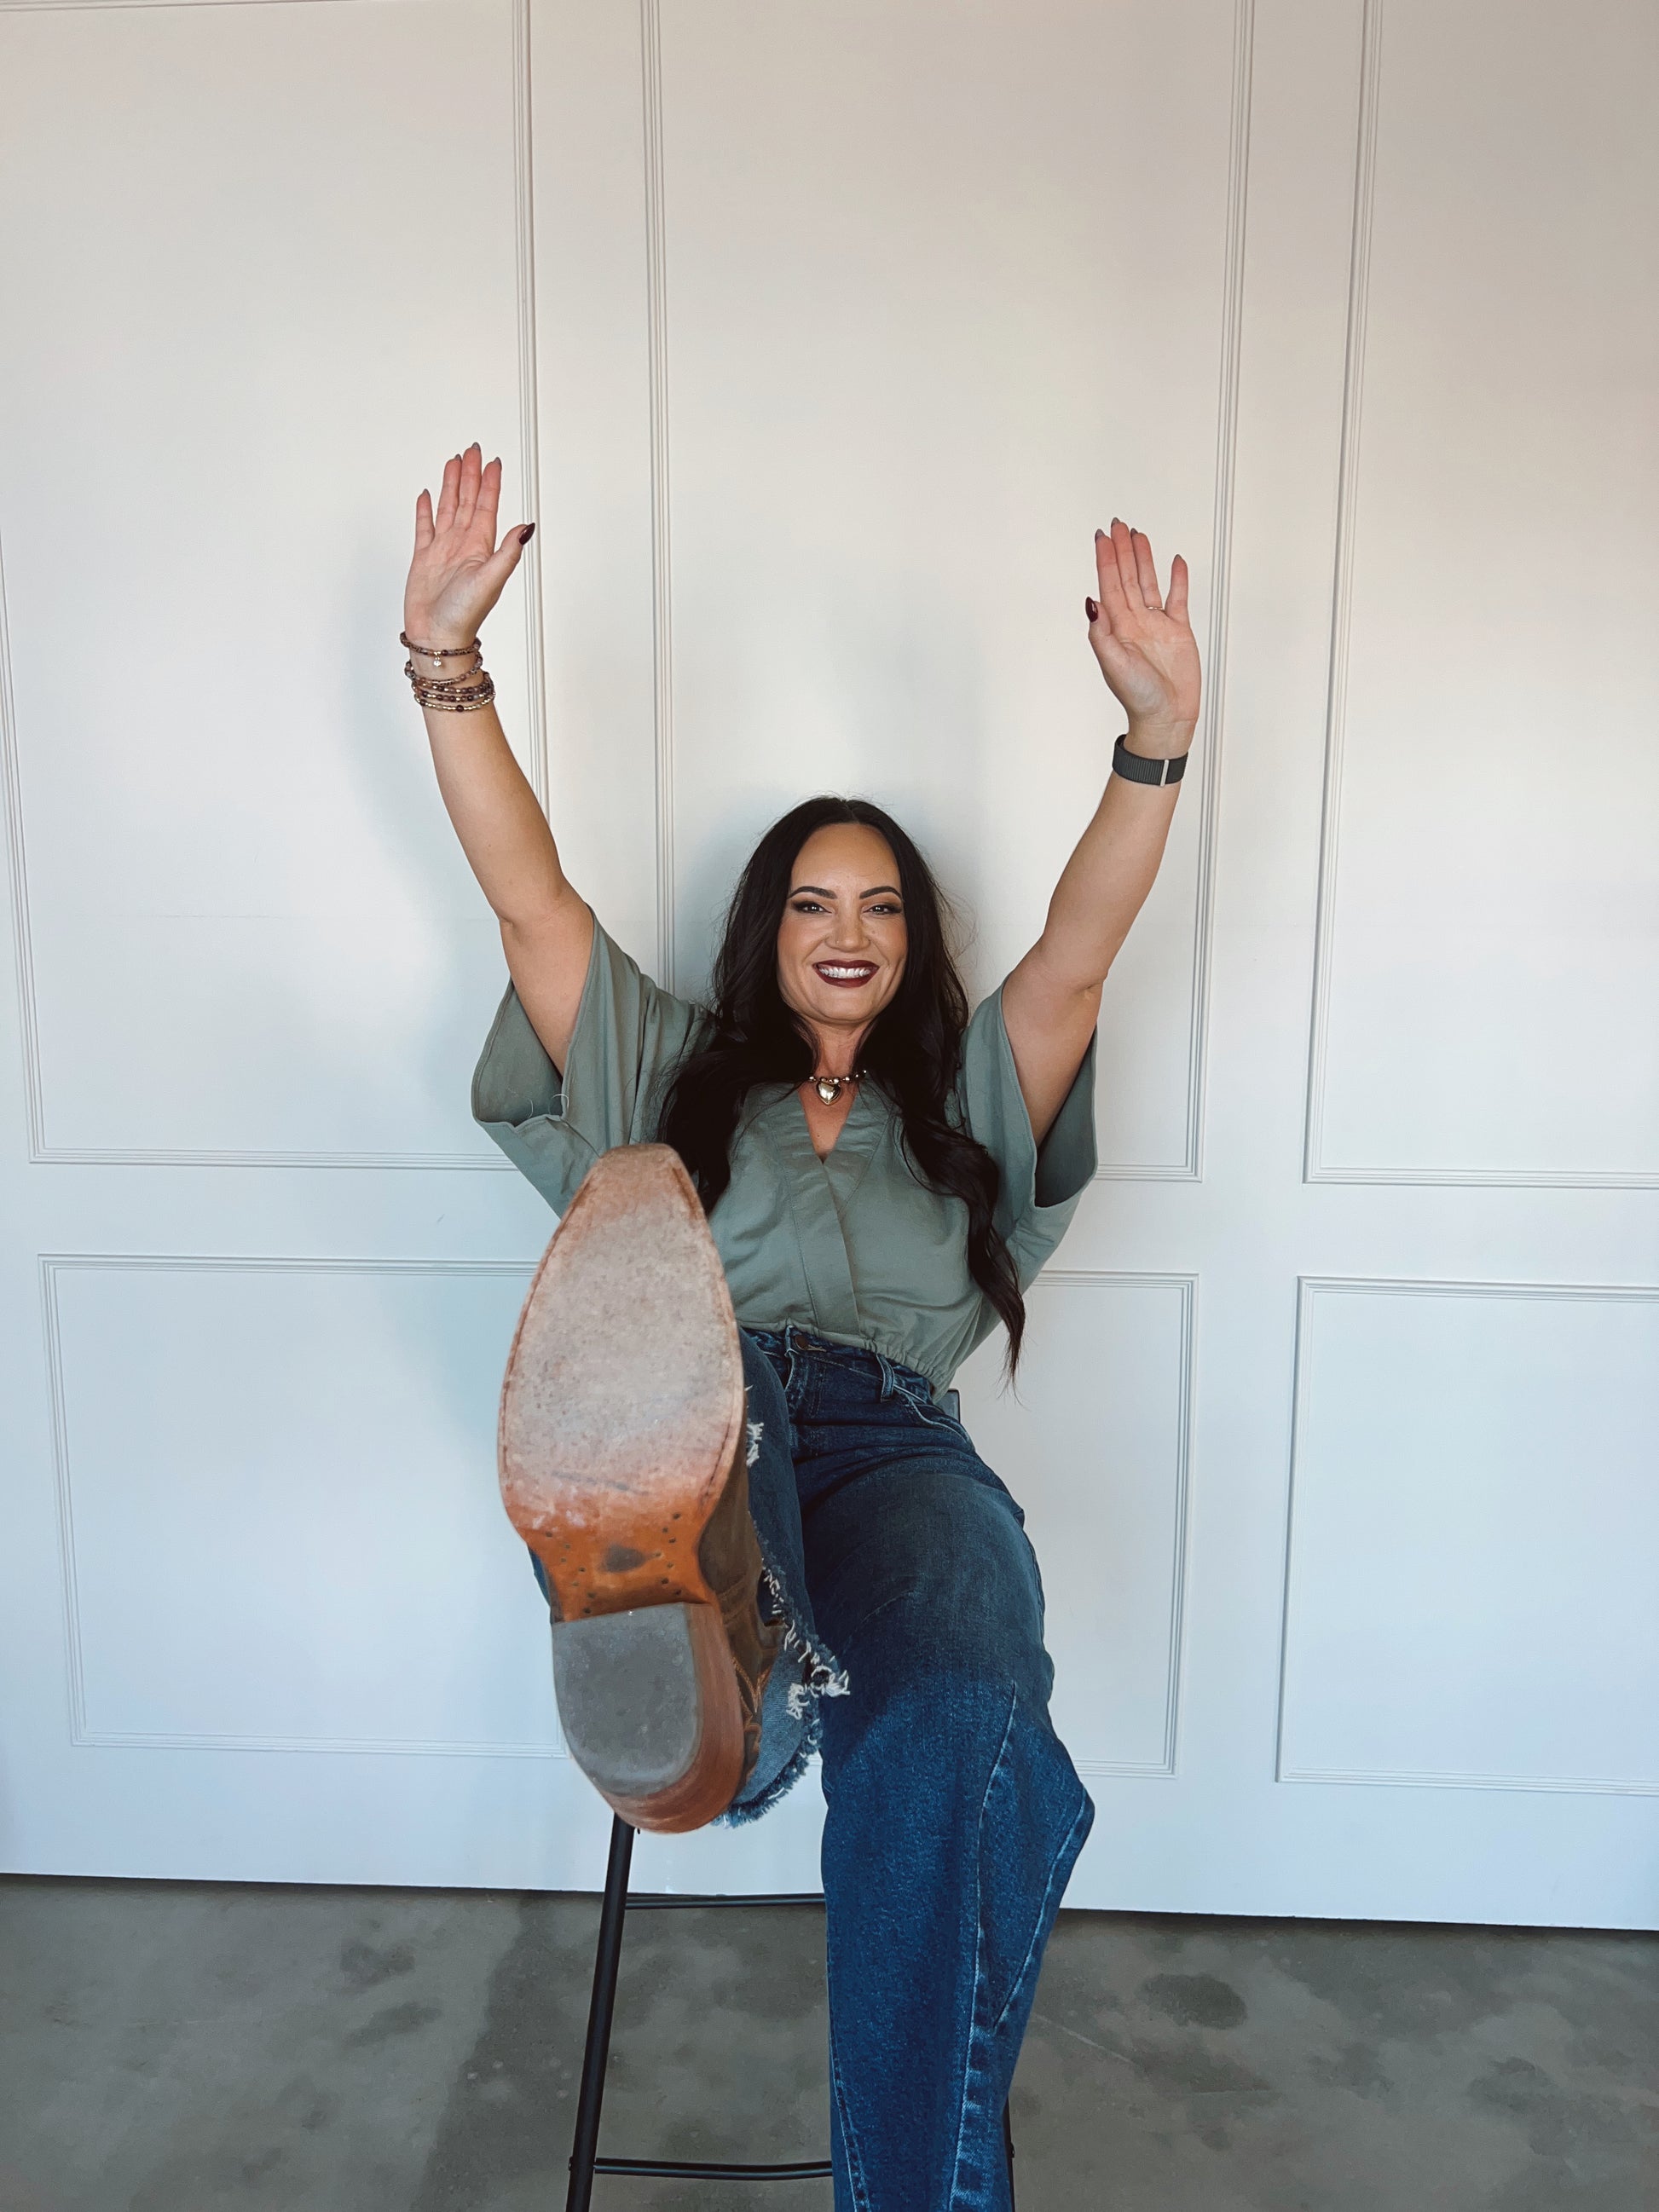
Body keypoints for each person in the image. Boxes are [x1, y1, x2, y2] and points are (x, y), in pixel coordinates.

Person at [403, 442, 1201, 2210]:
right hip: (715, 1414)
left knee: (974, 1710)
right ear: (771, 930)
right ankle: (715, 1648)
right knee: (747, 1466)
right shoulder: (661, 1067)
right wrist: (445, 663)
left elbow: (1077, 946)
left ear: (913, 945)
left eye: (885, 905)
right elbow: (528, 890)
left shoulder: (974, 1091)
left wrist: (1154, 740)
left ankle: (750, 1704)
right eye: (818, 902)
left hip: (903, 1442)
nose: (850, 931)